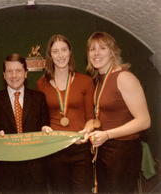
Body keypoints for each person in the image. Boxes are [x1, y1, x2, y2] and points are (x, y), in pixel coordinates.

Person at [86, 31, 151, 193]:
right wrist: (90, 126)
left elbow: (144, 121)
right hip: (105, 149)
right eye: (92, 49)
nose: (96, 53)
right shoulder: (100, 80)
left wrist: (107, 134)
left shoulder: (124, 77)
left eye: (102, 48)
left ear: (112, 52)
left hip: (124, 151)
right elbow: (104, 117)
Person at [36, 34, 95, 194]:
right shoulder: (41, 84)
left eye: (64, 50)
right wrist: (44, 127)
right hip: (55, 148)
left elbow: (91, 118)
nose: (60, 55)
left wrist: (87, 130)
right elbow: (42, 119)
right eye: (55, 51)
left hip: (80, 147)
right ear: (50, 55)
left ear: (70, 52)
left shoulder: (86, 81)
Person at [0, 53, 50, 194]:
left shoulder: (39, 99)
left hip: (36, 172)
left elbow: (45, 126)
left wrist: (46, 130)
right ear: (4, 75)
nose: (14, 75)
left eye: (18, 71)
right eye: (10, 71)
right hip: (7, 173)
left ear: (26, 73)